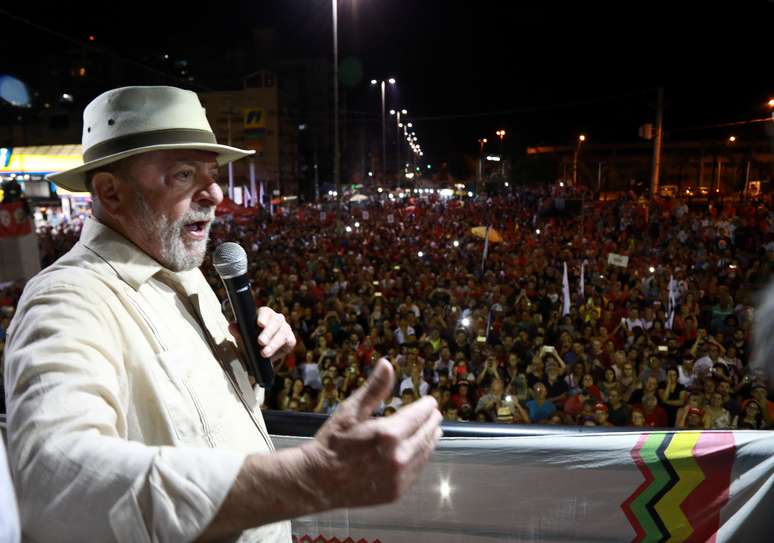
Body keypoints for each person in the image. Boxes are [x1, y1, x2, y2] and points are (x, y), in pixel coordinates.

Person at [3, 87, 442, 542]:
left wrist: (250, 365)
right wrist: (310, 477)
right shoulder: (68, 300)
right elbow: (57, 482)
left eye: (212, 175)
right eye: (183, 174)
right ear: (110, 193)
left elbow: (199, 423)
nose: (214, 193)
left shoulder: (186, 274)